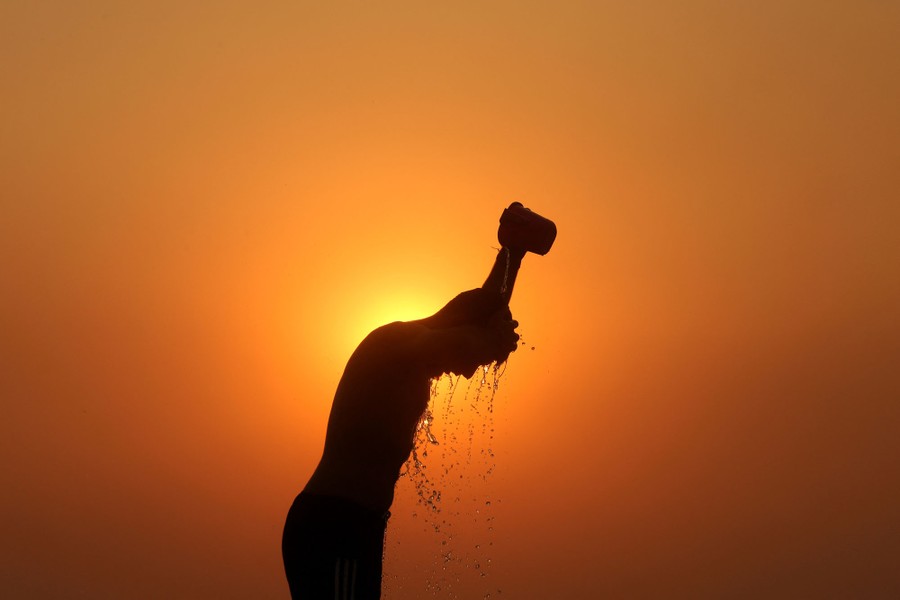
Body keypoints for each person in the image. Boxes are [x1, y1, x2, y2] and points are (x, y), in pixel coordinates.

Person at [282, 287, 520, 599]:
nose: (467, 371)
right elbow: (459, 337)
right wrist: (491, 341)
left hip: (355, 525)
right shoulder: (397, 341)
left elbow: (486, 301)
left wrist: (514, 254)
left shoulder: (412, 357)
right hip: (335, 524)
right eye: (469, 359)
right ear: (459, 327)